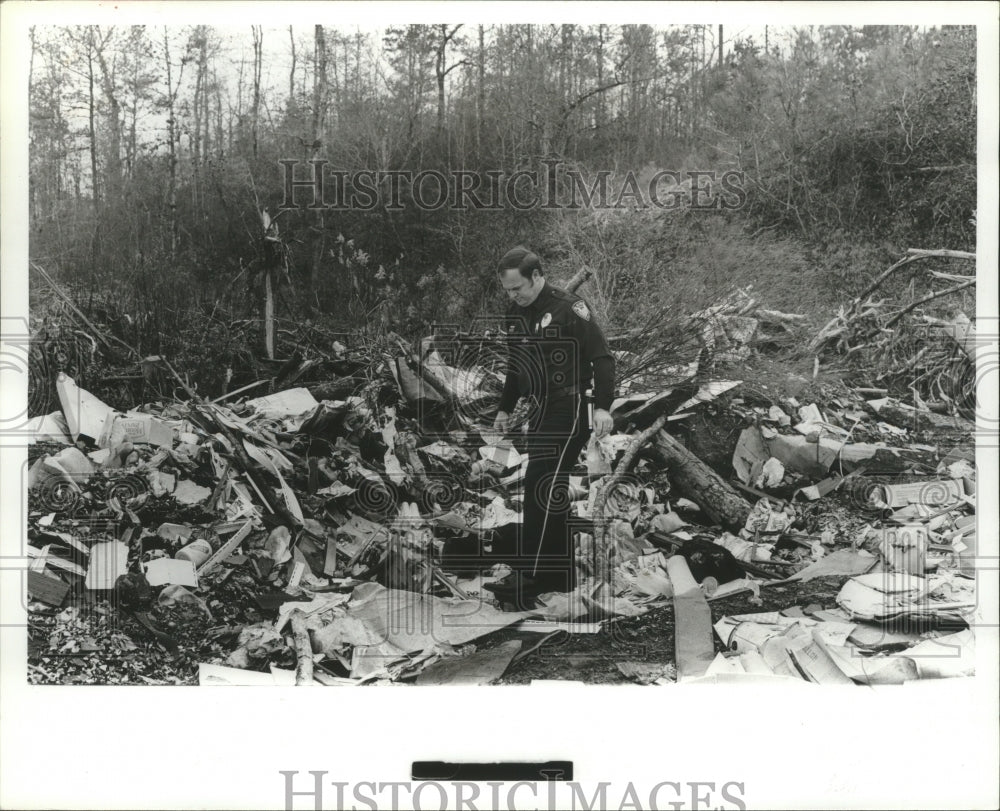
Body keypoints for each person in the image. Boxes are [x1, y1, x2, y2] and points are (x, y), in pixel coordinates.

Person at [484, 246, 615, 609]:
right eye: (508, 290)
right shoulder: (516, 314)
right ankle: (556, 573)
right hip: (540, 408)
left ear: (537, 276)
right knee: (545, 484)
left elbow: (602, 358)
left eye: (518, 288)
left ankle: (534, 573)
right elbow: (515, 365)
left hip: (571, 405)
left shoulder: (569, 307)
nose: (513, 296)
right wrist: (504, 408)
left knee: (542, 480)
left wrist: (604, 406)